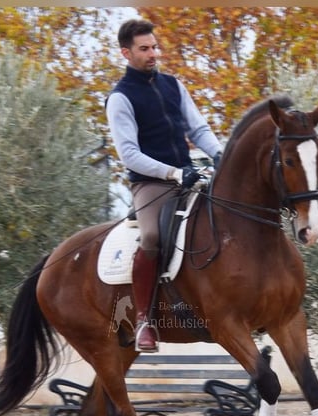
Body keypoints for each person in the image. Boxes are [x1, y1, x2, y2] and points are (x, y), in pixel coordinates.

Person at [106, 18, 223, 353]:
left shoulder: (173, 85)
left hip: (188, 175)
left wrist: (219, 154)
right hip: (151, 185)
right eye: (144, 49)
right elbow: (129, 155)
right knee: (153, 236)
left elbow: (198, 129)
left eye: (154, 47)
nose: (152, 53)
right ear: (126, 52)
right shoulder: (120, 98)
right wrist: (172, 173)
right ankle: (144, 319)